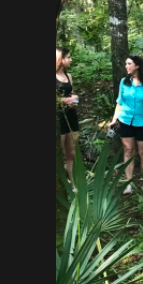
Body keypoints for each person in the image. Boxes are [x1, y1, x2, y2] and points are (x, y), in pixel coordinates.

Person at [107, 56, 143, 194]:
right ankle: (128, 183)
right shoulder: (124, 82)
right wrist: (114, 120)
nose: (126, 66)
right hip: (125, 121)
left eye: (129, 63)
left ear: (137, 66)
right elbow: (119, 102)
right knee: (128, 151)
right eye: (126, 63)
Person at [56, 47, 80, 189]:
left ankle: (73, 184)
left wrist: (74, 99)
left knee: (71, 152)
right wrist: (66, 101)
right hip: (58, 119)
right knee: (60, 151)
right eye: (68, 57)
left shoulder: (69, 76)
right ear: (60, 59)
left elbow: (71, 93)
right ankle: (61, 184)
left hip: (71, 116)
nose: (70, 60)